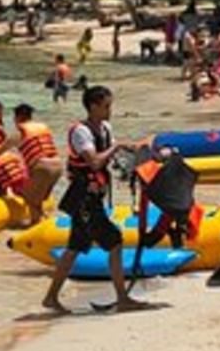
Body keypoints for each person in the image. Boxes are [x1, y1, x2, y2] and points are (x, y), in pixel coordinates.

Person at [42, 85, 141, 314]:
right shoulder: (80, 132)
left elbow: (109, 157)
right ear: (93, 106)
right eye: (106, 106)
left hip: (93, 197)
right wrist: (117, 147)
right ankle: (122, 297)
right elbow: (95, 162)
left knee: (74, 247)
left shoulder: (105, 128)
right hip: (84, 197)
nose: (110, 110)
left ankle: (51, 297)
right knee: (114, 240)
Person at [11, 103, 63, 224]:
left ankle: (37, 227)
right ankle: (44, 221)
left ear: (18, 117)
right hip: (58, 167)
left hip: (43, 168)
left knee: (28, 196)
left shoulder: (19, 133)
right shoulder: (42, 127)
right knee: (37, 199)